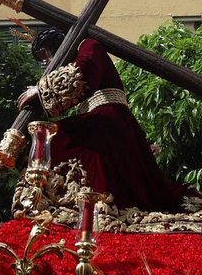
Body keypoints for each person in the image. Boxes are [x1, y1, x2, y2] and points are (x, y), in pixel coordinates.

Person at [18, 28, 190, 212]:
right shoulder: (77, 55)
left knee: (51, 138)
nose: (46, 64)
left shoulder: (88, 45)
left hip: (107, 119)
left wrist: (40, 90)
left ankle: (58, 204)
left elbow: (87, 68)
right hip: (100, 120)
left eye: (46, 56)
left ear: (57, 45)